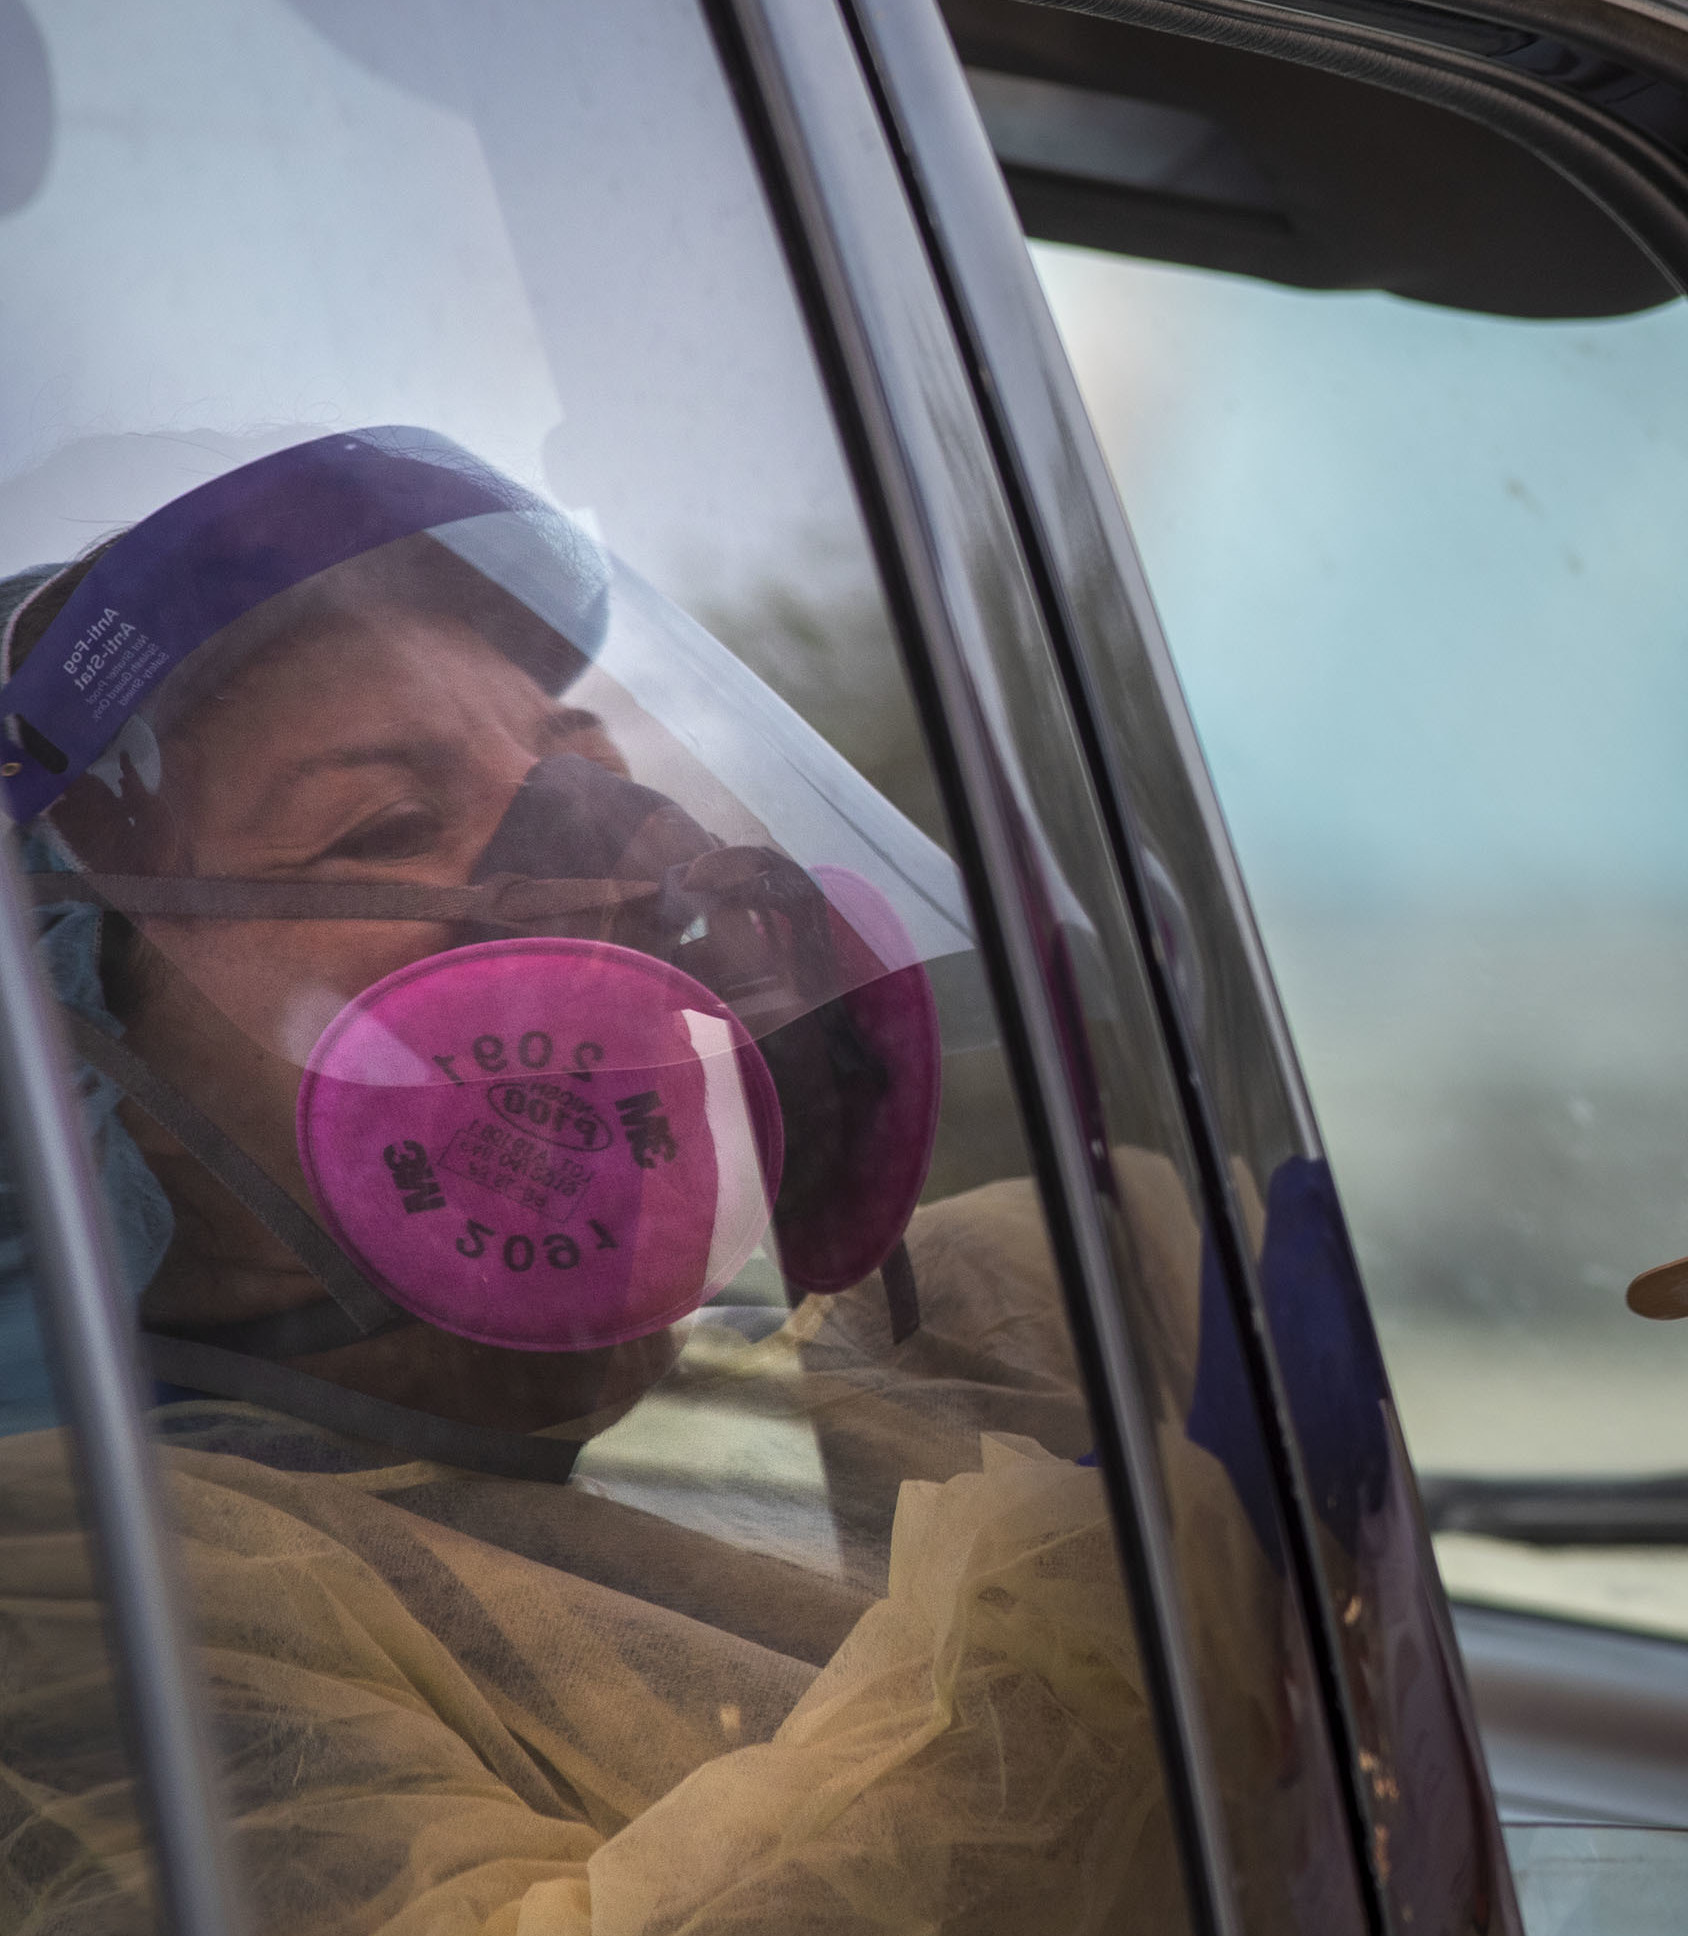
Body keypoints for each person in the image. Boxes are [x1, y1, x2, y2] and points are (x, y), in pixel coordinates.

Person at [0, 429, 1213, 1933]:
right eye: (383, 827)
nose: (625, 871)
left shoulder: (942, 1356)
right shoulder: (74, 1596)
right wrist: (1143, 1618)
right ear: (72, 1077)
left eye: (586, 773)